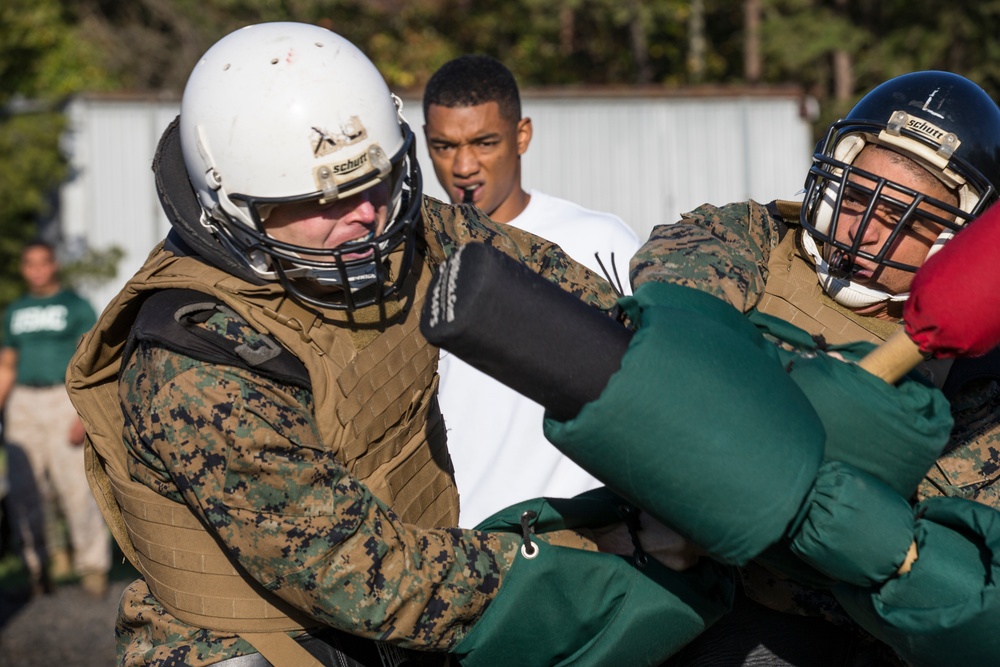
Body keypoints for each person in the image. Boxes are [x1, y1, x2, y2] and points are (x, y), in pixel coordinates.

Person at [65, 23, 721, 667]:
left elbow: (558, 291)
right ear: (238, 209)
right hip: (257, 637)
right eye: (324, 201)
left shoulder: (387, 223)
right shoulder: (195, 357)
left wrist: (700, 376)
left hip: (404, 603)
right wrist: (580, 560)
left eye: (375, 182)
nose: (365, 216)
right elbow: (356, 571)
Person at [627, 70, 1000, 665]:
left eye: (912, 220)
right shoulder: (752, 237)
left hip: (822, 622)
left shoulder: (973, 377)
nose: (866, 230)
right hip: (655, 557)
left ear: (956, 245)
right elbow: (677, 315)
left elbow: (939, 548)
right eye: (856, 197)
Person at [422, 54, 641, 526]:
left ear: (522, 135)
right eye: (443, 146)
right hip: (458, 557)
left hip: (576, 549)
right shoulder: (411, 261)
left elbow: (651, 393)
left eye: (483, 143)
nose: (463, 165)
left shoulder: (601, 243)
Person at [0, 240, 110, 597]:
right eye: (29, 264)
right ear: (23, 268)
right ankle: (36, 567)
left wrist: (84, 412)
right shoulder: (14, 311)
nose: (36, 270)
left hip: (62, 399)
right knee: (25, 490)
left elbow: (91, 361)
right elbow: (6, 365)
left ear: (53, 265)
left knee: (76, 488)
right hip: (22, 403)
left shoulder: (75, 306)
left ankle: (92, 567)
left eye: (42, 263)